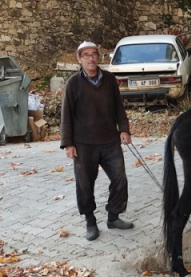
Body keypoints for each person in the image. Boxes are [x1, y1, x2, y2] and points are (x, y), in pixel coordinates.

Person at [60, 41, 134, 241]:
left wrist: (124, 129)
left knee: (120, 179)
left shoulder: (109, 80)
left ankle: (113, 216)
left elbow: (119, 108)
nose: (91, 58)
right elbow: (66, 115)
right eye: (86, 55)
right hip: (83, 144)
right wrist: (68, 143)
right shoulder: (73, 84)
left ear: (98, 57)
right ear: (79, 59)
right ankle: (90, 221)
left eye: (94, 54)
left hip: (110, 141)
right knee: (84, 184)